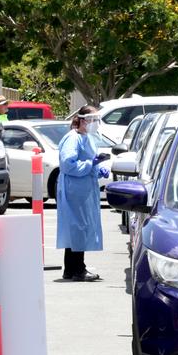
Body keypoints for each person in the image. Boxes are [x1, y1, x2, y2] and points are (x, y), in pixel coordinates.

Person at [56, 105, 110, 282]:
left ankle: (71, 268)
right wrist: (91, 164)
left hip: (83, 188)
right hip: (75, 189)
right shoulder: (73, 138)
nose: (95, 123)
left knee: (78, 228)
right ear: (83, 120)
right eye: (93, 120)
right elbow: (68, 164)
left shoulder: (87, 138)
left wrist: (97, 166)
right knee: (78, 227)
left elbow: (87, 160)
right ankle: (78, 269)